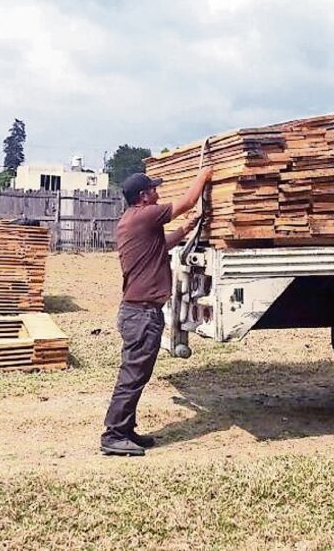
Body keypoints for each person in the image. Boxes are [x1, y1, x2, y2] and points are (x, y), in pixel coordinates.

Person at [101, 167, 213, 457]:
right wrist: (204, 174)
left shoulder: (133, 222)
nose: (158, 193)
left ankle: (124, 431)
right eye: (153, 190)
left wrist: (187, 228)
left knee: (135, 374)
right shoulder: (145, 215)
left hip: (137, 313)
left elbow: (160, 247)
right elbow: (188, 201)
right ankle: (113, 435)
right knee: (132, 376)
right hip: (141, 315)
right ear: (142, 197)